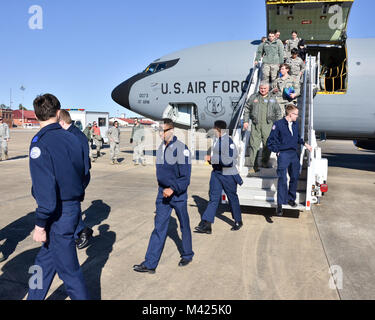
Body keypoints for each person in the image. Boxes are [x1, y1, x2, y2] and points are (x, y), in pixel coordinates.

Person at [27, 94, 89, 300]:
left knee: (70, 273)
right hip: (71, 208)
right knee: (42, 264)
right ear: (57, 112)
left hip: (56, 215)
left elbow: (45, 189)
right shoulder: (74, 138)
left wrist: (40, 224)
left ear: (37, 116)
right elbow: (85, 173)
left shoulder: (39, 143)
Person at [133, 118, 194, 273]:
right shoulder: (161, 148)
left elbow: (185, 178)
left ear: (171, 131)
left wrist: (172, 189)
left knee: (184, 225)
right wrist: (163, 189)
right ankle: (150, 263)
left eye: (163, 130)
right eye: (158, 130)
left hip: (177, 194)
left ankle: (187, 254)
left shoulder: (181, 149)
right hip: (162, 194)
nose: (160, 133)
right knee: (159, 228)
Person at [195, 120, 243, 234]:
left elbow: (230, 161)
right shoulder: (217, 140)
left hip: (228, 174)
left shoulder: (228, 141)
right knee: (213, 198)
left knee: (232, 198)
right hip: (216, 173)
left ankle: (238, 220)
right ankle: (207, 225)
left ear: (218, 129)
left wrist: (212, 159)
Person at [267, 104, 312, 216]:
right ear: (290, 114)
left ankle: (291, 198)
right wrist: (277, 151)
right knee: (282, 179)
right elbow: (270, 141)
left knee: (295, 177)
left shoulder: (295, 124)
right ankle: (280, 205)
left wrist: (305, 144)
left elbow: (296, 138)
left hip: (293, 154)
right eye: (296, 114)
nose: (297, 116)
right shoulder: (278, 124)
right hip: (283, 154)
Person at [58, 109, 93, 250]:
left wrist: (78, 181)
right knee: (70, 205)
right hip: (71, 177)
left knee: (71, 204)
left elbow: (84, 162)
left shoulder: (77, 136)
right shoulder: (67, 134)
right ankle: (80, 231)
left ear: (61, 121)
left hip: (78, 177)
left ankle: (82, 231)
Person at [243, 81, 282, 176]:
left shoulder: (272, 99)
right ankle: (253, 166)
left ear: (268, 89)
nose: (263, 90)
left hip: (268, 125)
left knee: (267, 145)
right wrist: (246, 121)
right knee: (253, 145)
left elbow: (278, 112)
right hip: (256, 125)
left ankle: (264, 162)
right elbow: (247, 109)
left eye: (265, 88)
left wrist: (278, 125)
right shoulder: (253, 97)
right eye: (261, 88)